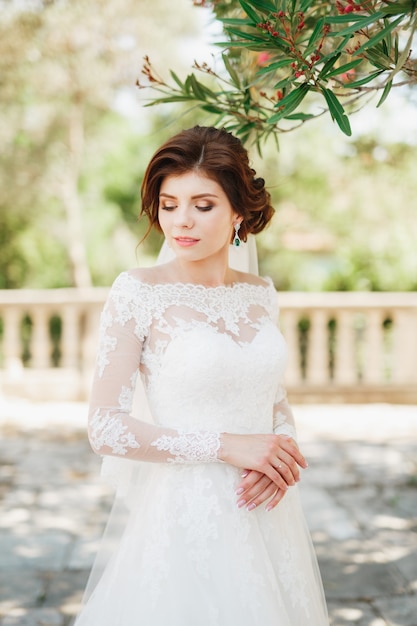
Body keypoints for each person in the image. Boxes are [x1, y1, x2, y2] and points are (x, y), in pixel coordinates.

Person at [74, 125, 329, 625]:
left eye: (203, 205)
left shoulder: (260, 292)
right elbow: (104, 427)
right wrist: (227, 445)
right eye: (169, 205)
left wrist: (281, 449)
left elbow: (273, 398)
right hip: (186, 514)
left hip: (267, 506)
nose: (181, 222)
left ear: (239, 210)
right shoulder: (138, 292)